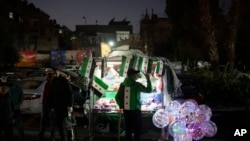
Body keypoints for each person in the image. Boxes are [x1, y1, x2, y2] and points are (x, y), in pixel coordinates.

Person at [116, 68, 152, 141]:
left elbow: (117, 97)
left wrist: (122, 106)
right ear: (132, 75)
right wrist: (148, 78)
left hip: (126, 111)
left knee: (128, 130)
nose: (137, 75)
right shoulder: (136, 85)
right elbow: (149, 90)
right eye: (136, 74)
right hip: (135, 111)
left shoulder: (122, 85)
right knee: (137, 130)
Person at [48, 68, 74, 141]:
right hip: (59, 105)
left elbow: (70, 93)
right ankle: (65, 138)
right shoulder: (54, 82)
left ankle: (68, 137)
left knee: (65, 123)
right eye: (53, 73)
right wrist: (52, 106)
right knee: (62, 123)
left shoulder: (63, 81)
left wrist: (70, 105)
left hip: (63, 105)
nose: (54, 75)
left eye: (55, 73)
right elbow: (51, 95)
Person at [38, 72, 56, 141]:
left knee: (52, 122)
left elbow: (54, 97)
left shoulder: (53, 85)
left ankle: (52, 136)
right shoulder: (47, 84)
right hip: (45, 105)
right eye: (48, 77)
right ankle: (41, 135)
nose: (48, 78)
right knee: (43, 121)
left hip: (50, 106)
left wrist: (53, 107)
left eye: (49, 77)